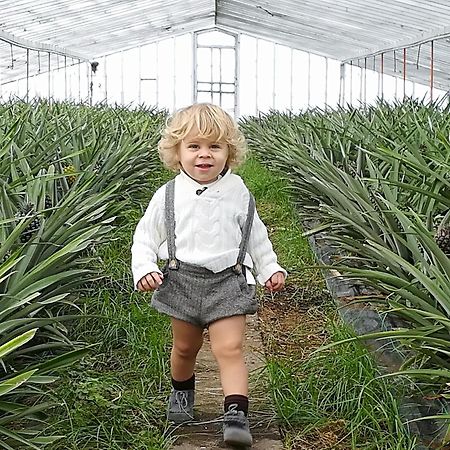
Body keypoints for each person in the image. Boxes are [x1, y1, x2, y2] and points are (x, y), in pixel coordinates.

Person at [131, 103, 286, 447]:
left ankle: (236, 415)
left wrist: (270, 267)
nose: (205, 155)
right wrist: (144, 268)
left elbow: (255, 234)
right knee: (186, 347)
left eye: (215, 147)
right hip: (181, 280)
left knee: (230, 348)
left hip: (228, 281)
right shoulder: (168, 194)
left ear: (229, 151)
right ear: (177, 152)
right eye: (194, 146)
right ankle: (182, 393)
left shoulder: (238, 191)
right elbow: (145, 236)